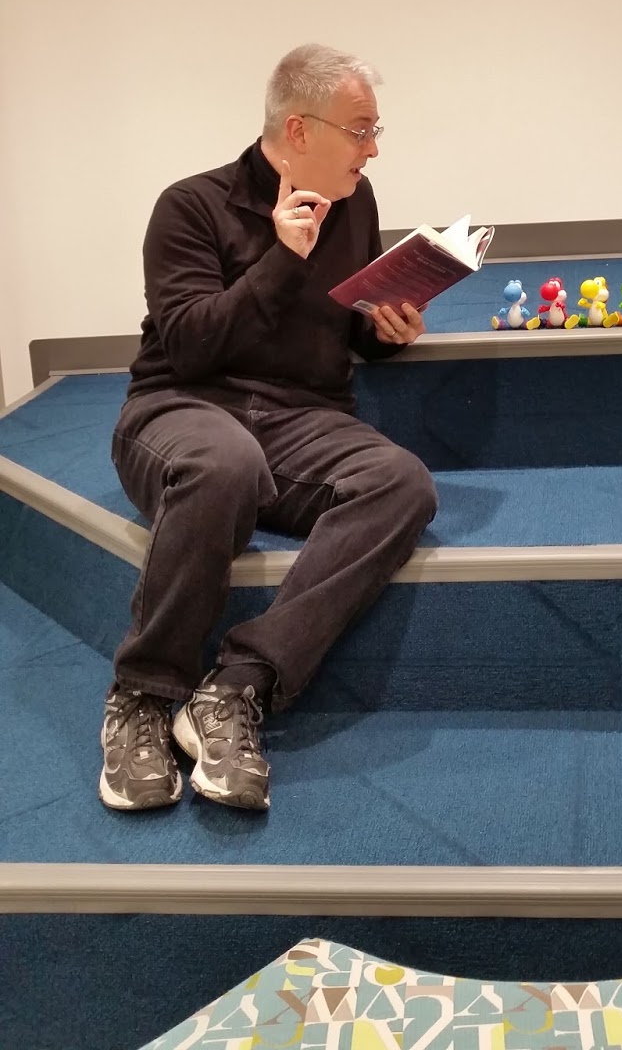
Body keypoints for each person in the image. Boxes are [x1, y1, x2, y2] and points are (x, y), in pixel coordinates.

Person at [100, 44, 436, 813]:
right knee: (224, 463)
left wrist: (386, 329)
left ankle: (234, 689)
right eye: (361, 130)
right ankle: (143, 696)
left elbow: (342, 327)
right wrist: (282, 259)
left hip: (300, 419)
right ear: (300, 129)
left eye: (375, 131)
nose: (373, 149)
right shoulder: (190, 206)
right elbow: (190, 348)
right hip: (182, 407)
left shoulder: (356, 202)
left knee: (401, 483)